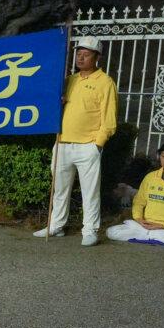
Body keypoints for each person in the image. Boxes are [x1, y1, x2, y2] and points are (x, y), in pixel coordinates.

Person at [35, 36, 119, 245]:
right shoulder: (70, 80)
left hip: (87, 146)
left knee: (89, 192)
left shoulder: (105, 82)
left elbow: (109, 119)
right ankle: (56, 224)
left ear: (97, 57)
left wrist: (97, 143)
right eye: (78, 54)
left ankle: (90, 229)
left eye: (86, 54)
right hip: (62, 142)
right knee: (60, 189)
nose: (80, 58)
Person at [107, 140, 164, 246]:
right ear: (160, 157)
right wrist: (139, 219)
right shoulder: (150, 177)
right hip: (145, 225)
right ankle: (152, 236)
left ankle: (149, 236)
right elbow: (139, 201)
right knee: (111, 232)